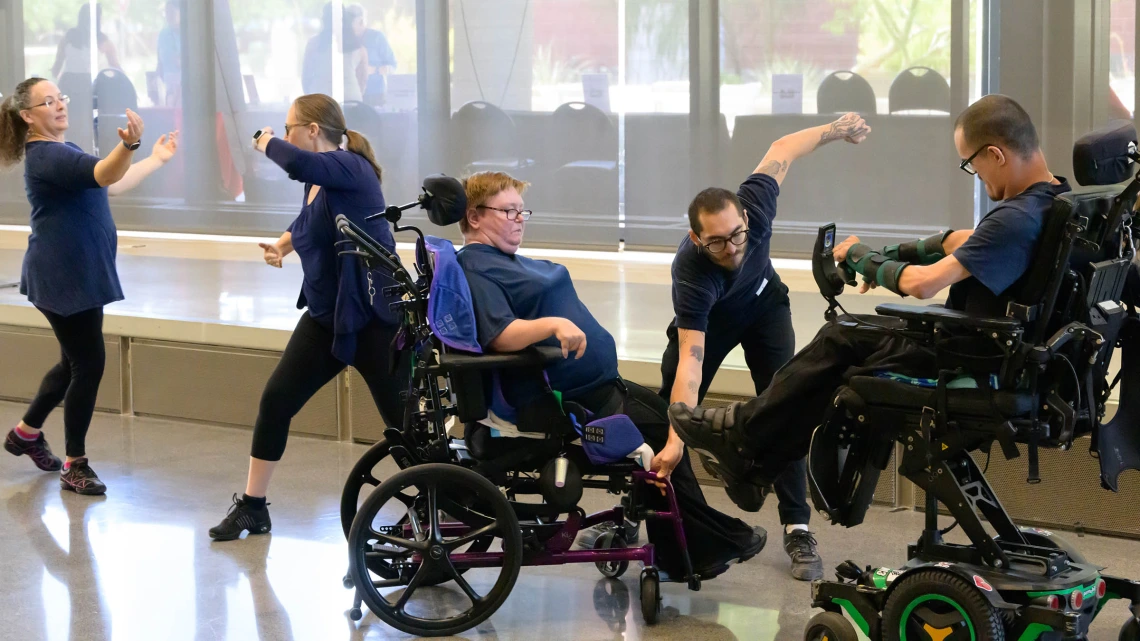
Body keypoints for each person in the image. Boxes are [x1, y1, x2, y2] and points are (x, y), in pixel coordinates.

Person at [667, 95, 1070, 513]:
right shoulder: (1054, 203)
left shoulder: (1013, 218)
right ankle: (754, 464)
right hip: (999, 351)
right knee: (840, 350)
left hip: (963, 356)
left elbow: (922, 285)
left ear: (995, 154)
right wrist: (901, 250)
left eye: (972, 164)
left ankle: (742, 440)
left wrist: (864, 258)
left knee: (839, 339)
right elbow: (967, 242)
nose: (976, 176)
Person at [455, 171, 764, 580]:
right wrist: (553, 324)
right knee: (668, 437)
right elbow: (499, 334)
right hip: (573, 402)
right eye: (509, 211)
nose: (519, 219)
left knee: (676, 425)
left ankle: (691, 546)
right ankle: (701, 548)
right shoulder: (476, 267)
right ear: (474, 217)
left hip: (598, 387)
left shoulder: (499, 260)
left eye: (521, 210)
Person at [659, 112, 870, 580]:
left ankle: (797, 527)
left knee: (788, 406)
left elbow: (782, 148)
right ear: (697, 238)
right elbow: (691, 362)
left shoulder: (755, 203)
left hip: (764, 309)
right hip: (709, 325)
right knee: (669, 417)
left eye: (737, 234)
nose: (733, 247)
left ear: (745, 217)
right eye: (717, 242)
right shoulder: (692, 272)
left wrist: (838, 128)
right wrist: (677, 440)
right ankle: (663, 520)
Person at [209, 94, 407, 541]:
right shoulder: (320, 181)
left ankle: (447, 502)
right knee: (276, 401)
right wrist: (282, 244)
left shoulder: (349, 166)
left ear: (312, 130)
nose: (286, 134)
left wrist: (264, 142)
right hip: (327, 316)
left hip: (375, 319)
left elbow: (299, 164)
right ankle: (253, 507)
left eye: (289, 127)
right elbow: (308, 220)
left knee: (403, 425)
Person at [0, 77, 178, 495]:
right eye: (48, 101)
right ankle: (74, 463)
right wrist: (129, 145)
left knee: (72, 362)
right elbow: (102, 172)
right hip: (63, 277)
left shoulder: (63, 151)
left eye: (61, 96)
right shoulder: (44, 156)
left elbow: (110, 184)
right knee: (89, 363)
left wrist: (156, 159)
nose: (60, 105)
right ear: (28, 116)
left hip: (77, 274)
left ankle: (25, 434)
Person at [301, 3, 368, 103]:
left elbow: (306, 77)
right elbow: (362, 80)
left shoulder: (313, 44)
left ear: (324, 20)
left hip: (321, 101)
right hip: (351, 100)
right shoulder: (359, 48)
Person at [50, 3, 121, 81]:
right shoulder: (103, 41)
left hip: (67, 83)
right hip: (90, 85)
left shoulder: (67, 38)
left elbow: (56, 69)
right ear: (98, 19)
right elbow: (116, 68)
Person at [347, 4, 398, 107]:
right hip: (350, 95)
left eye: (351, 23)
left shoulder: (377, 38)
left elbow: (393, 66)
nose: (348, 27)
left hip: (375, 96)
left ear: (361, 21)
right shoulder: (345, 39)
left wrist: (375, 70)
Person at [155, 1, 181, 107]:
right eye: (166, 12)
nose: (168, 15)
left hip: (183, 87)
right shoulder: (163, 34)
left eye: (172, 12)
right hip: (167, 85)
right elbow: (159, 62)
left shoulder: (189, 33)